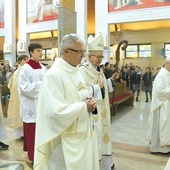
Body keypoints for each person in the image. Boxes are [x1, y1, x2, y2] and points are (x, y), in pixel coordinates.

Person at [34, 34, 100, 170]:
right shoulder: (53, 75)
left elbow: (82, 93)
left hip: (84, 135)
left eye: (84, 51)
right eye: (79, 51)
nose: (83, 55)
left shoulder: (76, 71)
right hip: (65, 142)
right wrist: (84, 107)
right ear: (66, 51)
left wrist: (90, 101)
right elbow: (55, 112)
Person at [79, 33, 115, 169]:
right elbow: (80, 91)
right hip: (93, 112)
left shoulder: (99, 70)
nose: (100, 60)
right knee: (96, 137)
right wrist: (96, 87)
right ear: (89, 56)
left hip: (103, 110)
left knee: (104, 135)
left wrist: (109, 82)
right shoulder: (82, 70)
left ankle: (107, 164)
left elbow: (103, 85)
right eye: (98, 57)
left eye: (102, 57)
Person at [18, 43, 47, 163]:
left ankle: (42, 153)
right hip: (31, 104)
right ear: (31, 52)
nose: (40, 53)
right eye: (38, 51)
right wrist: (42, 85)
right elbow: (24, 88)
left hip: (42, 103)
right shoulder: (25, 68)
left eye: (41, 50)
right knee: (32, 131)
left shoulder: (43, 67)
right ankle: (33, 155)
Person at [148, 56, 170, 153]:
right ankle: (159, 147)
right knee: (162, 124)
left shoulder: (168, 74)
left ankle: (167, 145)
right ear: (167, 63)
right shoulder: (161, 75)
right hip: (162, 105)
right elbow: (159, 91)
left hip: (167, 103)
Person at [7, 55, 28, 138]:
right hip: (17, 97)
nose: (26, 61)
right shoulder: (17, 72)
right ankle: (21, 134)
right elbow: (11, 85)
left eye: (27, 59)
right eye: (24, 60)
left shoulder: (26, 70)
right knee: (18, 114)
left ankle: (25, 134)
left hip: (25, 96)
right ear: (20, 61)